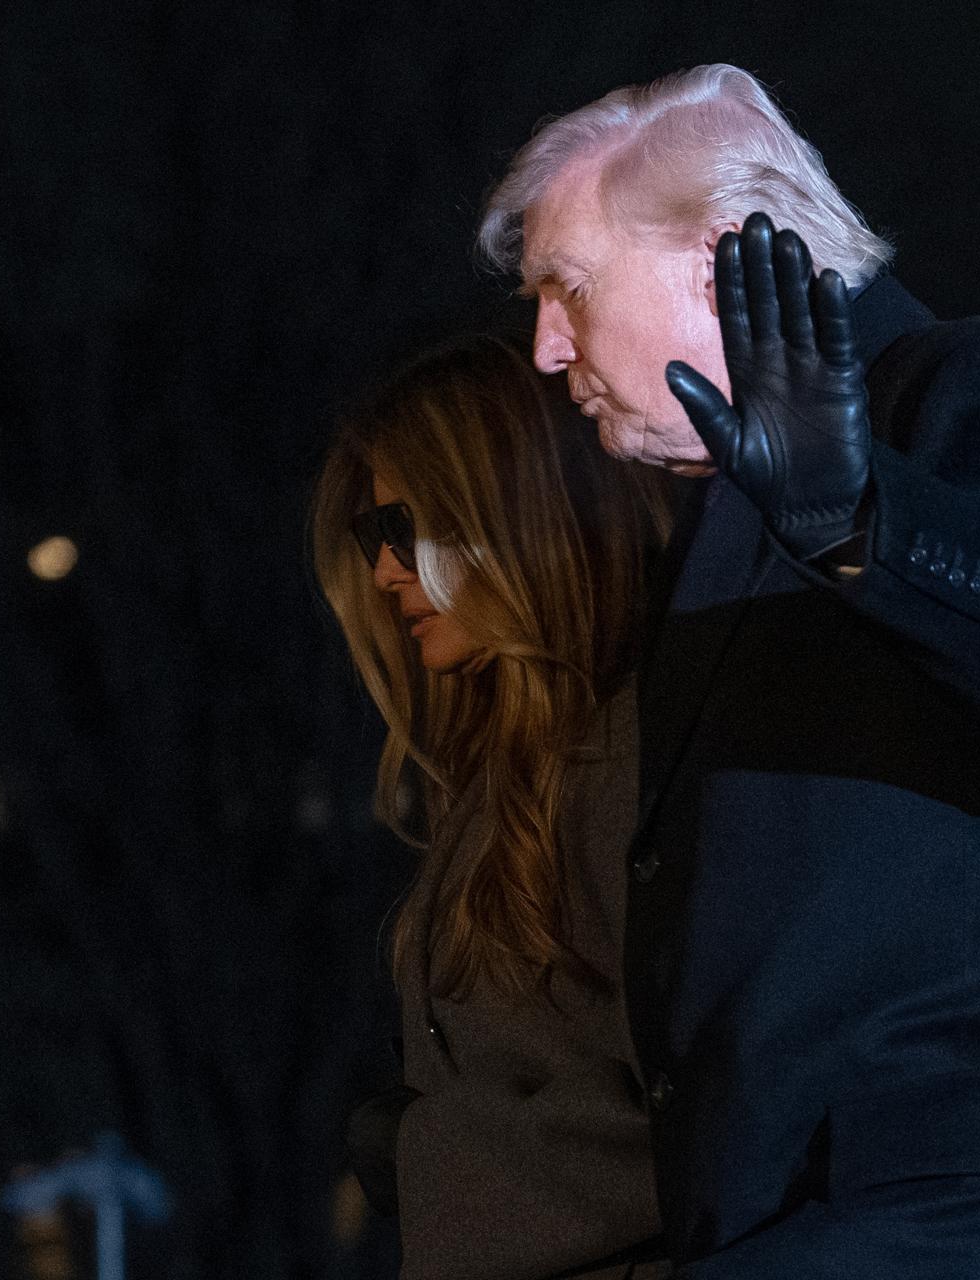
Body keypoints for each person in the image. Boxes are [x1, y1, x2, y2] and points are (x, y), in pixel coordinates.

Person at [477, 65, 980, 1277]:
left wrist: (864, 515)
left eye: (568, 288)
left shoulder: (977, 387)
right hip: (825, 1218)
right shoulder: (712, 515)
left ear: (720, 257)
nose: (545, 346)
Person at [311, 335, 675, 1280]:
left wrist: (423, 1157)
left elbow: (704, 1100)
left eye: (402, 527)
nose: (386, 573)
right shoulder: (507, 774)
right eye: (369, 539)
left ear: (504, 513)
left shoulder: (627, 760)